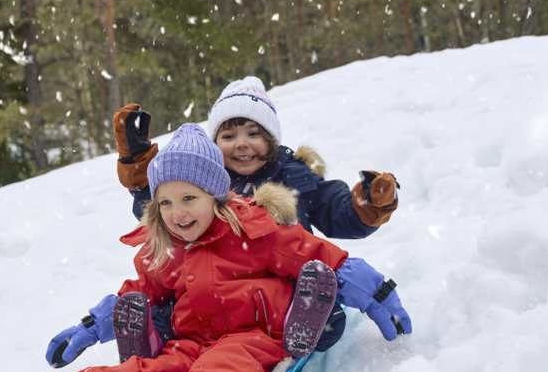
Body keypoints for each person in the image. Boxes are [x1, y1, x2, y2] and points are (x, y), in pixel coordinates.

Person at [23, 123, 413, 372]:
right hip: (191, 341)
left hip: (254, 335)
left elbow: (321, 255)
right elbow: (139, 291)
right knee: (144, 371)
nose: (177, 213)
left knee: (227, 367)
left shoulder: (256, 230)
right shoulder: (169, 248)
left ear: (215, 195)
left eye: (189, 198)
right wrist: (90, 327)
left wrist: (375, 293)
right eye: (165, 203)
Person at [110, 76, 403, 353]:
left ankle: (300, 326)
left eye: (254, 134)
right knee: (172, 305)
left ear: (272, 140)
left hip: (278, 285)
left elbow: (336, 213)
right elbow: (160, 207)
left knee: (326, 316)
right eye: (228, 135)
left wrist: (368, 204)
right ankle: (152, 339)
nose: (241, 143)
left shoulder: (294, 176)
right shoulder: (203, 182)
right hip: (211, 286)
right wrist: (137, 163)